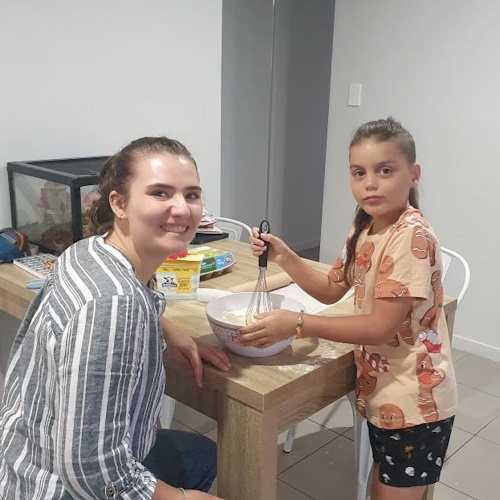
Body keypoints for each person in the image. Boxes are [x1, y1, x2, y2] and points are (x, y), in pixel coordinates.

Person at [0, 137, 230, 500]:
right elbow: (89, 468)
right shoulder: (115, 306)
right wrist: (182, 499)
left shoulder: (88, 250)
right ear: (119, 203)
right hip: (54, 488)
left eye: (191, 195)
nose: (182, 209)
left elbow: (128, 300)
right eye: (160, 193)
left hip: (19, 459)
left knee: (200, 453)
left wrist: (167, 330)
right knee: (203, 465)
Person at [239, 118, 457, 500]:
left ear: (414, 174)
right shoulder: (365, 228)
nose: (370, 182)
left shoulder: (410, 236)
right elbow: (330, 288)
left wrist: (298, 324)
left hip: (415, 400)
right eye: (359, 172)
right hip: (387, 393)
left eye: (384, 170)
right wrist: (286, 256)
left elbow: (379, 329)